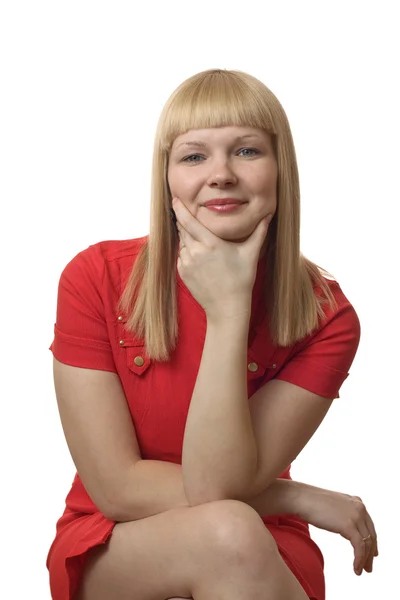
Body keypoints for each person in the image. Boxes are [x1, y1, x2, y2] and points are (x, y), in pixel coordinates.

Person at [46, 68, 378, 600]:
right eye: (194, 155)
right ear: (168, 177)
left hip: (261, 538)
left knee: (234, 533)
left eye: (247, 151)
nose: (220, 174)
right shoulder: (95, 277)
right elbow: (116, 489)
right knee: (230, 532)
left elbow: (216, 489)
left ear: (280, 169)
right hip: (119, 539)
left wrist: (228, 311)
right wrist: (294, 496)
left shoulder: (327, 317)